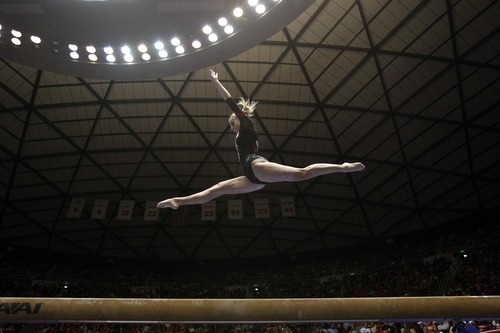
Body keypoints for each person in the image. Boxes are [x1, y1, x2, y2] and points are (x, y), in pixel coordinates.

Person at [157, 69, 365, 209]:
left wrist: (215, 81)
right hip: (252, 177)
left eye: (232, 123)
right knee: (218, 189)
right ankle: (177, 201)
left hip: (256, 166)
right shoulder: (240, 133)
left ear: (238, 119)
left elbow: (228, 100)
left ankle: (344, 167)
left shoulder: (245, 124)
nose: (231, 128)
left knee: (301, 174)